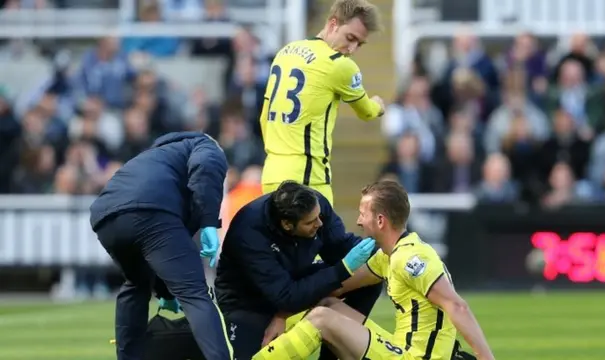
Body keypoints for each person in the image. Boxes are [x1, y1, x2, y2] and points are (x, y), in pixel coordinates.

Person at [254, 181, 495, 360]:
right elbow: (338, 286)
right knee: (329, 305)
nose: (358, 221)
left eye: (362, 214)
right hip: (401, 350)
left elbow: (457, 305)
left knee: (321, 320)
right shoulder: (389, 255)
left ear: (380, 220)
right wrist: (282, 314)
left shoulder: (410, 258)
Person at [90, 131, 233, 360]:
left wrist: (164, 290)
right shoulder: (205, 144)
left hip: (105, 217)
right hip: (149, 210)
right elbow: (206, 166)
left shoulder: (154, 155)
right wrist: (208, 223)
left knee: (136, 284)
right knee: (194, 294)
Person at [214, 181, 382, 359]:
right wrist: (342, 269)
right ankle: (190, 331)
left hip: (293, 280)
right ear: (287, 225)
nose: (319, 223)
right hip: (248, 303)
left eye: (319, 216)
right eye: (311, 222)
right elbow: (286, 297)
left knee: (369, 276)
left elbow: (339, 247)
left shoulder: (315, 205)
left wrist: (383, 250)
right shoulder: (249, 232)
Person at [260, 0, 386, 205]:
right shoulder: (339, 65)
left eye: (359, 44)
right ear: (333, 24)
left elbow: (265, 116)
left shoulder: (285, 52)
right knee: (326, 235)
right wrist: (378, 105)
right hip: (308, 179)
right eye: (350, 38)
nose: (352, 49)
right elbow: (366, 112)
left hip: (271, 173)